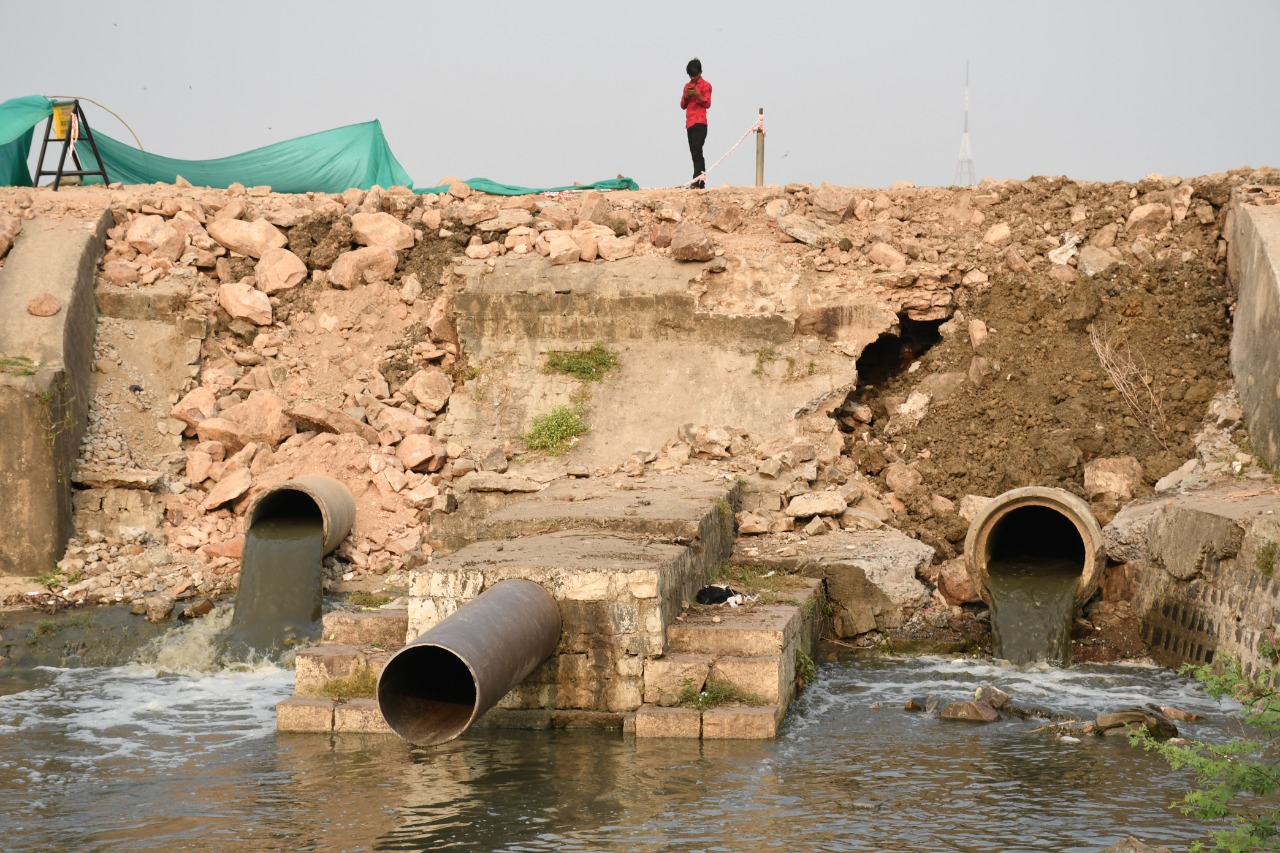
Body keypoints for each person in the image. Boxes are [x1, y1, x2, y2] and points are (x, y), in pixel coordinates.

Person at [681, 58, 712, 189]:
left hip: (700, 123)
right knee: (695, 153)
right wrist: (687, 96)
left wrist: (697, 95)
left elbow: (707, 103)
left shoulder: (706, 85)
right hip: (690, 124)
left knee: (697, 151)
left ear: (700, 72)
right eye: (691, 76)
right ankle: (701, 181)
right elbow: (682, 105)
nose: (693, 78)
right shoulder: (687, 86)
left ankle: (697, 181)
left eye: (695, 75)